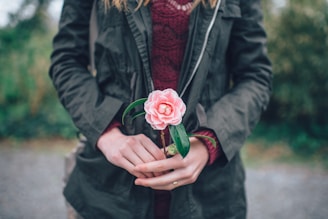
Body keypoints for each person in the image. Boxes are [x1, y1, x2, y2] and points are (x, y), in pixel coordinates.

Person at [49, 0, 272, 218]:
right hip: (110, 192)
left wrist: (209, 142)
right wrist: (107, 133)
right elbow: (67, 61)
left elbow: (255, 77)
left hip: (209, 194)